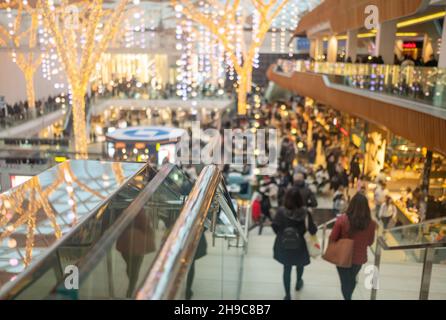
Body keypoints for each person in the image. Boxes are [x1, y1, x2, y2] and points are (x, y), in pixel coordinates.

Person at [329, 193, 377, 300]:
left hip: (342, 257)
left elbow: (332, 237)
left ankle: (347, 298)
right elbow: (370, 242)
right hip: (358, 258)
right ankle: (348, 297)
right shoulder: (371, 224)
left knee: (345, 281)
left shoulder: (342, 220)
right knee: (351, 279)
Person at [272, 188, 317, 300]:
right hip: (300, 245)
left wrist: (282, 233)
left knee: (286, 269)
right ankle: (298, 282)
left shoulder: (281, 212)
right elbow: (313, 230)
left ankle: (287, 295)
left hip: (285, 244)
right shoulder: (306, 213)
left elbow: (275, 226)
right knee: (299, 264)